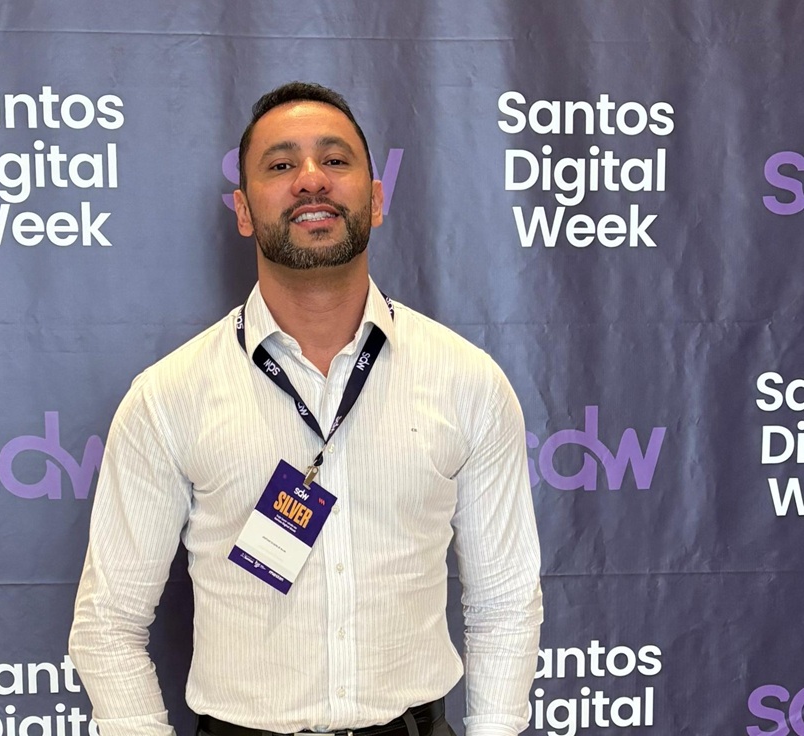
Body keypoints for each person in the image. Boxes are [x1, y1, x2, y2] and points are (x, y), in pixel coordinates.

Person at [69, 81, 542, 736]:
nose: (311, 179)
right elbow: (108, 623)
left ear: (376, 199)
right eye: (281, 164)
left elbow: (504, 602)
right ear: (243, 210)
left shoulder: (469, 382)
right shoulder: (168, 396)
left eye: (336, 160)